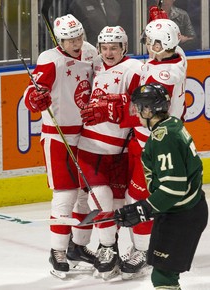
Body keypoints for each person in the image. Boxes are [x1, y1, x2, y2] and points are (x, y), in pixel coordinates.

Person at [22, 14, 98, 277]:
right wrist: (35, 99)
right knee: (65, 194)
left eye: (79, 37)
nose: (77, 43)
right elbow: (30, 95)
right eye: (70, 40)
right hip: (58, 136)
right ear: (59, 40)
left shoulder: (90, 52)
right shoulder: (49, 59)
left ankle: (79, 246)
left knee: (85, 193)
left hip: (87, 133)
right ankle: (58, 252)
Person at [114, 83, 208, 289]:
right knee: (164, 275)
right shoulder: (171, 124)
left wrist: (143, 209)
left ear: (148, 110)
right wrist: (146, 209)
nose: (136, 112)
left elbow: (173, 188)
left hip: (182, 214)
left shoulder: (163, 138)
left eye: (138, 107)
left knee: (163, 277)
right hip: (183, 210)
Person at [119, 17, 188, 280]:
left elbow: (146, 105)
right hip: (153, 139)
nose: (150, 46)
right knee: (143, 196)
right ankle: (153, 246)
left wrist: (113, 105)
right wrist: (159, 23)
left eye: (155, 42)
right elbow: (173, 47)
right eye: (148, 40)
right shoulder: (176, 56)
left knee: (138, 198)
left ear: (168, 42)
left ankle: (144, 252)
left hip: (153, 144)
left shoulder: (165, 73)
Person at [78, 25, 141, 280]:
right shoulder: (93, 64)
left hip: (120, 149)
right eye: (104, 48)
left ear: (124, 47)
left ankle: (137, 249)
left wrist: (115, 107)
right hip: (89, 146)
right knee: (99, 199)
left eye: (114, 47)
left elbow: (143, 105)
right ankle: (106, 248)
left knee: (121, 204)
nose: (108, 52)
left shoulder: (133, 69)